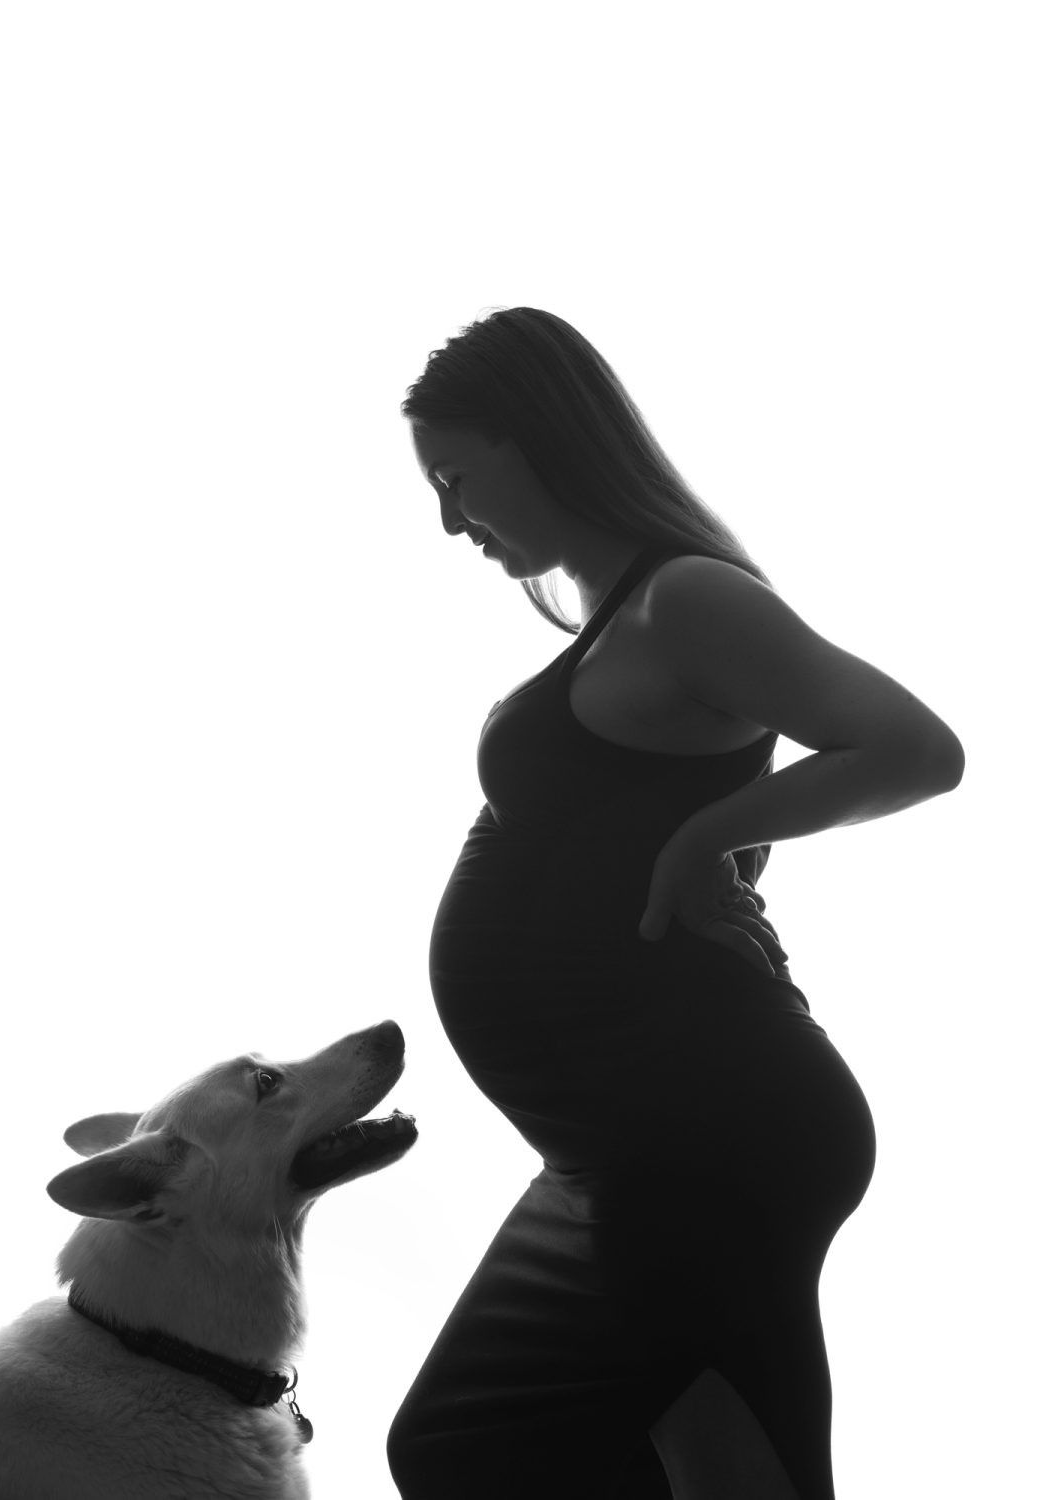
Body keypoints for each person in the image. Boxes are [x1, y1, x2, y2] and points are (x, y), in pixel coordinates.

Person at [385, 308, 964, 1500]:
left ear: (537, 435)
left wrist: (711, 835)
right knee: (694, 1466)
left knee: (468, 1446)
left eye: (455, 479)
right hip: (622, 1150)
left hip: (702, 1134)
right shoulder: (618, 619)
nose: (449, 522)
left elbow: (917, 748)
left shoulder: (685, 598)